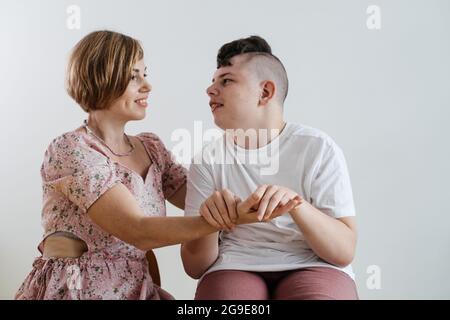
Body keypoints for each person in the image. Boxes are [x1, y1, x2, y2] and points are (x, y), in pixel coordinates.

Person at [15, 31, 299, 300]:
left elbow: (204, 194)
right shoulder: (71, 149)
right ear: (101, 77)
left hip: (138, 289)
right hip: (77, 289)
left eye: (145, 75)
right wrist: (228, 217)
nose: (147, 86)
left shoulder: (152, 149)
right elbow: (138, 230)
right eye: (133, 76)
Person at [181, 36, 359, 300]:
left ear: (265, 92)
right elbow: (195, 267)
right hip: (235, 264)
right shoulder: (207, 158)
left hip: (313, 263)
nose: (210, 89)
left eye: (226, 80)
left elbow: (343, 251)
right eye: (212, 81)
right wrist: (209, 222)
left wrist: (296, 206)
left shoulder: (318, 148)